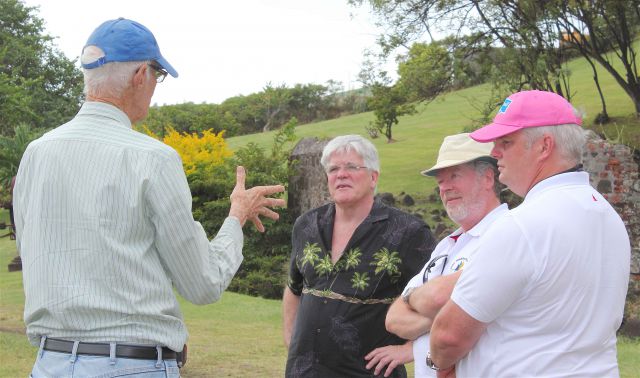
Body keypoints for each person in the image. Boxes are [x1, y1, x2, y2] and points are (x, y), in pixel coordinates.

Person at [13, 18, 285, 378]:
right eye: (158, 75)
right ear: (141, 74)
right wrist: (236, 218)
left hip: (50, 364)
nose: (156, 86)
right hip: (130, 366)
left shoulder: (35, 153)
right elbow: (202, 284)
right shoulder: (153, 157)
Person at [429, 90, 631, 377]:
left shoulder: (522, 225)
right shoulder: (607, 216)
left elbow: (449, 335)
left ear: (544, 146)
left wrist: (440, 363)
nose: (494, 152)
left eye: (506, 142)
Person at [282, 135, 436, 378]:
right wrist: (291, 339)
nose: (341, 174)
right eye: (333, 169)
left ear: (373, 177)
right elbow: (294, 288)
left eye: (351, 167)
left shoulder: (409, 233)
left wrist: (410, 350)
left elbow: (444, 300)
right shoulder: (306, 225)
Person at [385, 133, 507, 378]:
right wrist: (448, 317)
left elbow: (438, 298)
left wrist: (421, 305)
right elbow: (394, 319)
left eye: (454, 176)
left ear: (487, 178)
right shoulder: (447, 246)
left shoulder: (506, 233)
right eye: (440, 181)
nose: (444, 187)